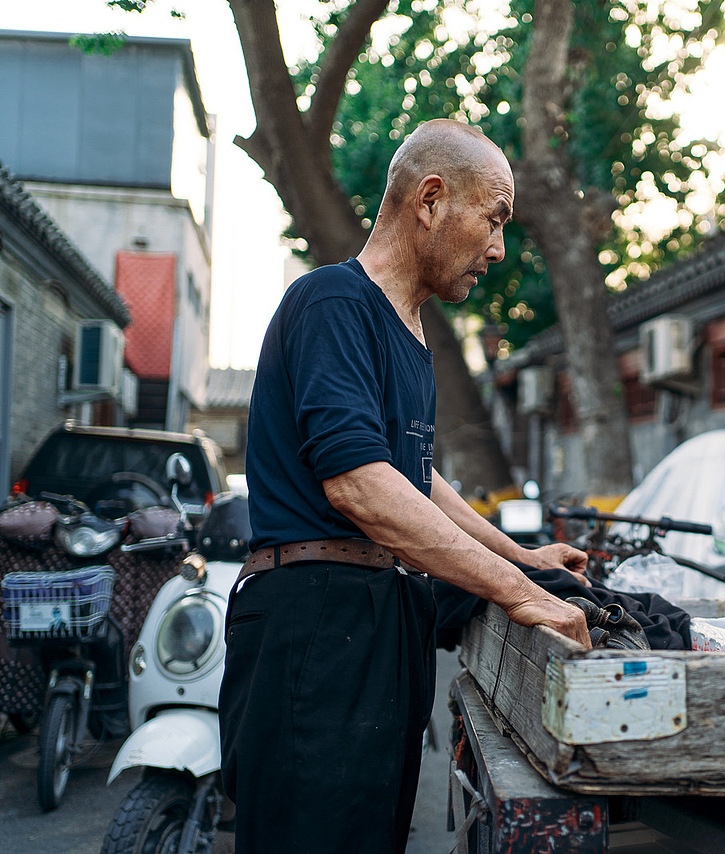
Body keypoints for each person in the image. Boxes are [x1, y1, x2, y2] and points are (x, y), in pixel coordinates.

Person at [219, 118, 591, 854]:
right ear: (429, 201)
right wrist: (514, 590)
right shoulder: (333, 303)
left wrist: (522, 561)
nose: (496, 248)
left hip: (380, 628)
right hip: (315, 630)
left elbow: (413, 479)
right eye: (492, 220)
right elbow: (360, 487)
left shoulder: (408, 331)